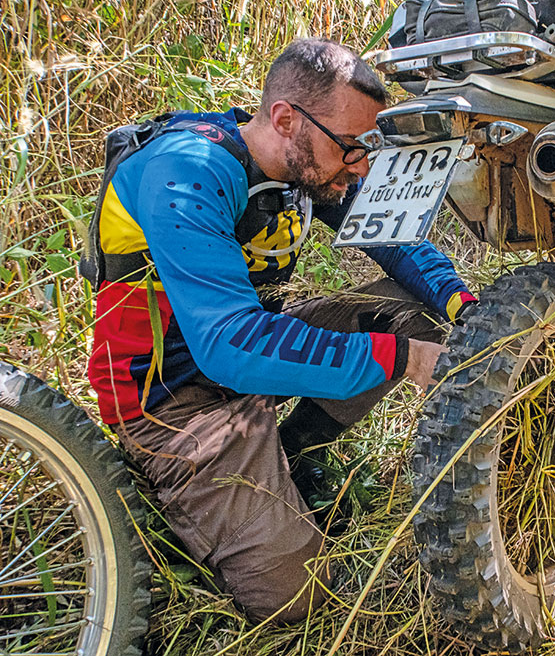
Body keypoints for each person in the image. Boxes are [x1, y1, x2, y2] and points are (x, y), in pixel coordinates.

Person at [84, 38, 477, 622]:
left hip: (253, 351)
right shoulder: (187, 171)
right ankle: (176, 505)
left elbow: (394, 241)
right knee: (300, 596)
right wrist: (401, 360)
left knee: (413, 309)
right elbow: (229, 344)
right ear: (286, 119)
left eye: (368, 149)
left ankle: (293, 451)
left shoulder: (312, 164)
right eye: (351, 149)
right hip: (172, 401)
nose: (362, 166)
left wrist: (462, 306)